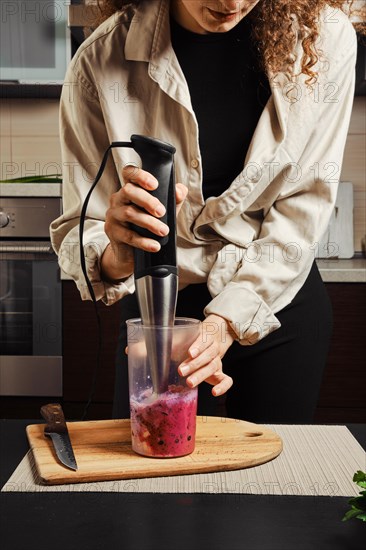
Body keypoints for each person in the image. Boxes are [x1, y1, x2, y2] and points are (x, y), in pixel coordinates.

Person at [51, 0, 361, 422]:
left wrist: (223, 325)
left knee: (279, 478)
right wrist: (119, 253)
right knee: (156, 472)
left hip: (276, 293)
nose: (230, 3)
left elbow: (303, 202)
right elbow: (81, 229)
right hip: (157, 307)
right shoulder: (99, 61)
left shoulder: (324, 40)